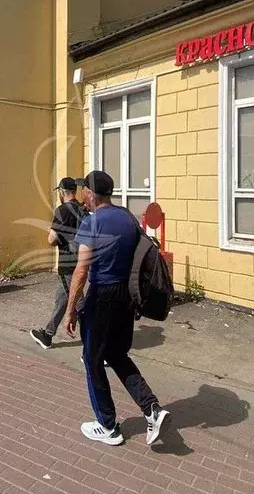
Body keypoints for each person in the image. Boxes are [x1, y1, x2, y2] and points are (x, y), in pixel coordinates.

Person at [63, 170, 169, 447]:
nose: (83, 195)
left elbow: (81, 271)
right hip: (127, 296)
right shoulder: (127, 217)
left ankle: (108, 425)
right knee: (116, 354)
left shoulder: (93, 222)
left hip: (102, 295)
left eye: (84, 190)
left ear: (91, 193)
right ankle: (151, 408)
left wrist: (70, 310)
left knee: (92, 359)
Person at [30, 177, 86, 349]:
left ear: (62, 192)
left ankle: (98, 343)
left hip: (68, 263)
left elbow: (52, 240)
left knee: (80, 304)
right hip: (81, 259)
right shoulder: (83, 209)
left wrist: (53, 233)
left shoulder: (62, 210)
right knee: (62, 299)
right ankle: (47, 334)